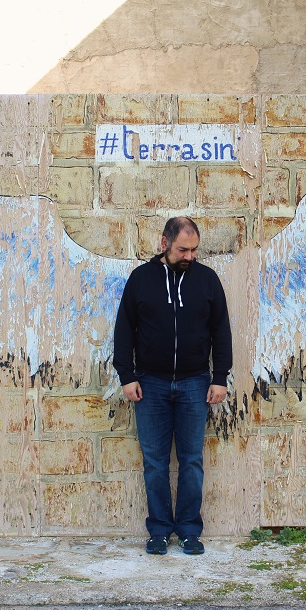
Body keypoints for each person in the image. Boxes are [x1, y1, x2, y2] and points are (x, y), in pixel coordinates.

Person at [113, 217, 232, 556]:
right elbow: (124, 329)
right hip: (150, 384)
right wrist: (127, 375)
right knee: (155, 462)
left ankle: (190, 531)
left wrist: (220, 377)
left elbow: (221, 330)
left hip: (195, 383)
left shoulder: (207, 280)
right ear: (164, 244)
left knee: (192, 460)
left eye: (193, 250)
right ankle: (160, 531)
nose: (189, 256)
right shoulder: (141, 279)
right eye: (183, 250)